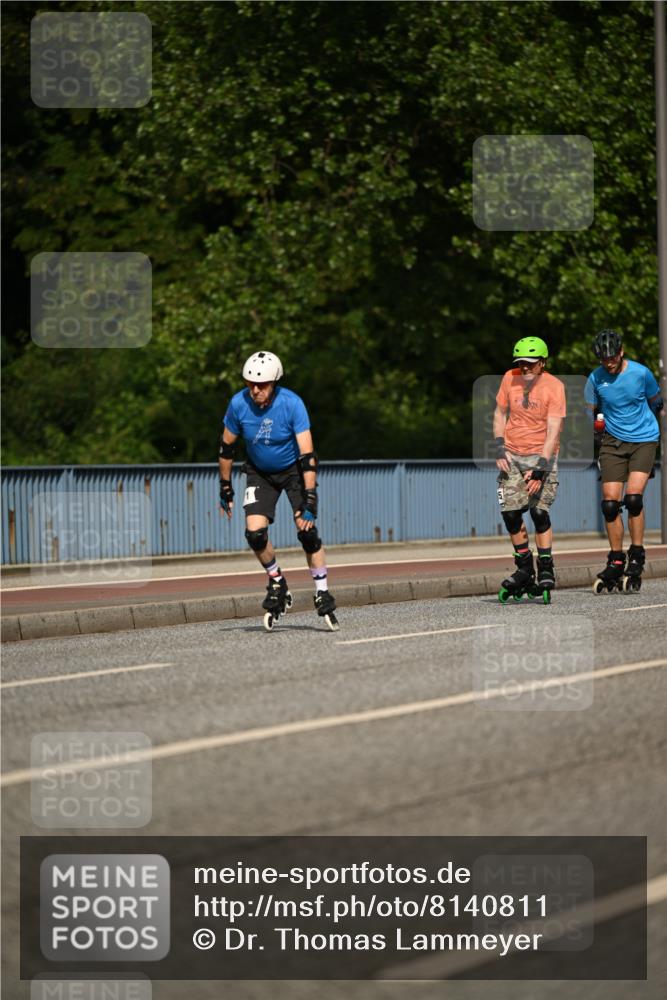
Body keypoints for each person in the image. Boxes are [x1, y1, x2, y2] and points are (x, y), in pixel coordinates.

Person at [218, 350, 338, 630]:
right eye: (250, 383)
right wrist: (225, 487)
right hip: (259, 473)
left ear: (274, 383)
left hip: (294, 472)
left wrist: (309, 496)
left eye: (261, 385)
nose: (255, 390)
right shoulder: (238, 404)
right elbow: (226, 448)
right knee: (254, 534)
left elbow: (308, 455)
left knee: (307, 531)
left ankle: (322, 591)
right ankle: (277, 582)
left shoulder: (292, 404)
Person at [585, 329, 663, 593]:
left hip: (644, 439)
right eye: (603, 359)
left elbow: (657, 402)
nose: (608, 363)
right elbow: (594, 411)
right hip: (612, 443)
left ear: (621, 352)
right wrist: (598, 429)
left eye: (612, 357)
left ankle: (637, 555)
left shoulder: (641, 373)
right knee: (609, 504)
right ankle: (616, 559)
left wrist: (646, 423)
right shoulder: (595, 379)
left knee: (633, 499)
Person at [492, 336, 566, 603]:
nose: (525, 369)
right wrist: (499, 445)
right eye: (521, 364)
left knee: (538, 511)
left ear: (543, 363)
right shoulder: (509, 378)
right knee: (511, 514)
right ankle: (524, 568)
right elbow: (500, 413)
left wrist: (540, 470)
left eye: (531, 364)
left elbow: (553, 432)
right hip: (512, 453)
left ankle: (546, 567)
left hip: (542, 456)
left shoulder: (555, 387)